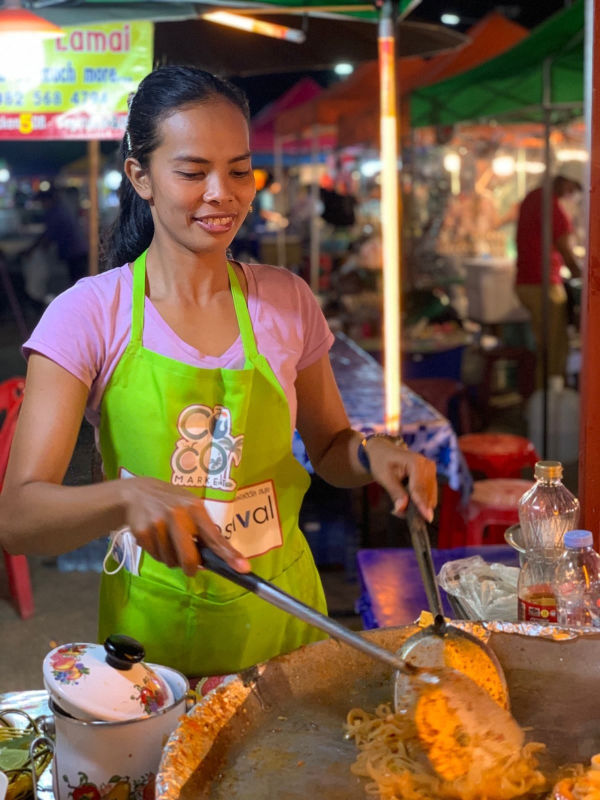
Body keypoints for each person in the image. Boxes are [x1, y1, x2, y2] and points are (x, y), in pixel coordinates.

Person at [0, 66, 436, 680]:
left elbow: (332, 447)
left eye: (238, 169)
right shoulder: (89, 315)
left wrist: (373, 454)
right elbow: (20, 519)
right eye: (192, 171)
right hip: (152, 640)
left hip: (285, 621)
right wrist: (127, 496)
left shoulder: (286, 301)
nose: (221, 192)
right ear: (140, 177)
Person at [514, 166, 582, 387]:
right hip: (541, 284)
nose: (571, 194)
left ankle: (542, 399)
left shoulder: (533, 197)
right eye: (572, 188)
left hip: (526, 282)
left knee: (547, 345)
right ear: (564, 181)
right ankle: (548, 402)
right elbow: (564, 247)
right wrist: (582, 275)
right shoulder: (550, 205)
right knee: (554, 349)